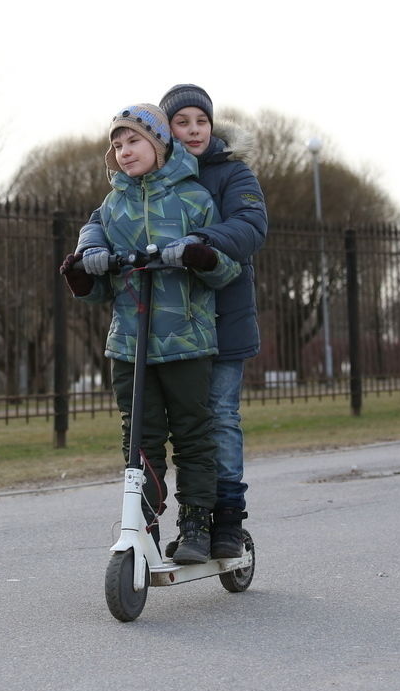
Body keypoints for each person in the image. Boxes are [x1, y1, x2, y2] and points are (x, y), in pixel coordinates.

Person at [77, 84, 267, 559]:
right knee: (140, 431)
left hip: (203, 328)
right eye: (182, 122)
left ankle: (216, 522)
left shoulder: (221, 180)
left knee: (209, 423)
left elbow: (246, 231)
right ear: (169, 133)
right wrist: (88, 255)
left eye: (200, 121)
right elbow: (97, 226)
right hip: (136, 337)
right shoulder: (120, 196)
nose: (194, 130)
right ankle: (143, 523)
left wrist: (200, 247)